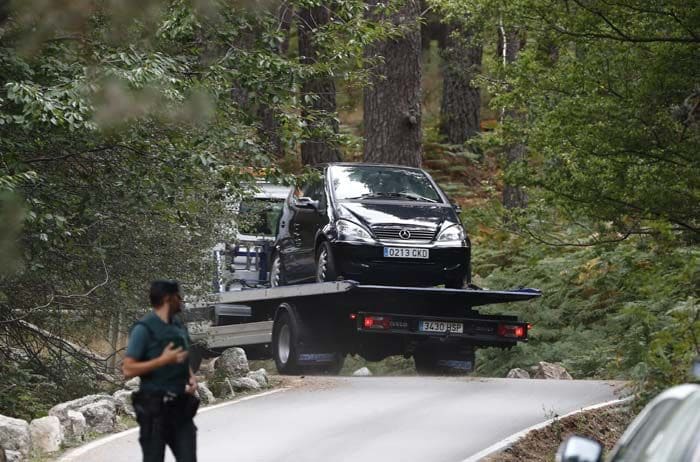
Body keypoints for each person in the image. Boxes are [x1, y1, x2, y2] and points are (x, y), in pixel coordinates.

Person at [122, 280, 199, 462]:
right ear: (167, 298)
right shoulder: (144, 329)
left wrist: (190, 376)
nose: (181, 300)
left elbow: (180, 356)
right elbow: (127, 369)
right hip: (154, 408)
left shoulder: (177, 325)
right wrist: (162, 360)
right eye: (178, 296)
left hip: (180, 406)